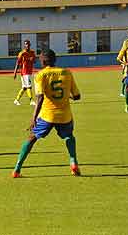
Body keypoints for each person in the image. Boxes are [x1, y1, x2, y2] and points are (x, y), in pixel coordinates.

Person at [12, 49, 81, 178]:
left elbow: (40, 97)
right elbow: (77, 96)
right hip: (65, 116)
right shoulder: (67, 73)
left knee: (31, 138)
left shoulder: (41, 75)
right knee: (69, 137)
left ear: (43, 60)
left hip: (47, 115)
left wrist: (33, 118)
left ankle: (17, 169)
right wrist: (67, 95)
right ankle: (73, 162)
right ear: (55, 60)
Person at [13, 40, 36, 106]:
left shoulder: (32, 52)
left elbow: (34, 61)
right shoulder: (22, 53)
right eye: (26, 44)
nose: (27, 45)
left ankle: (16, 100)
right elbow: (17, 63)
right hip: (24, 72)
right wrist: (15, 73)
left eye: (28, 44)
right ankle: (31, 100)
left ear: (30, 44)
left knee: (24, 88)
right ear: (24, 45)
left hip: (29, 72)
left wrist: (32, 60)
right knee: (29, 87)